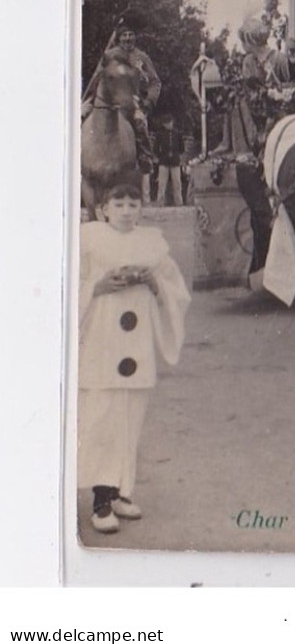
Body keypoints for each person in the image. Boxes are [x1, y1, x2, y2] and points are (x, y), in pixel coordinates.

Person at [78, 177, 190, 534]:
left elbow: (175, 290)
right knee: (104, 417)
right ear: (103, 210)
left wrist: (154, 283)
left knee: (131, 417)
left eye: (133, 204)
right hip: (103, 340)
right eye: (119, 204)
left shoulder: (151, 244)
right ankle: (100, 500)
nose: (127, 212)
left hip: (136, 345)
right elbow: (67, 282)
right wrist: (96, 287)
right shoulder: (89, 240)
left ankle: (121, 490)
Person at [82, 21, 161, 204]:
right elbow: (97, 79)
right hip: (107, 102)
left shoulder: (142, 57)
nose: (127, 38)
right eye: (124, 35)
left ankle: (144, 157)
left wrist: (148, 101)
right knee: (84, 118)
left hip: (132, 104)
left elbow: (155, 82)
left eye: (130, 34)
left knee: (139, 125)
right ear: (118, 38)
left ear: (135, 37)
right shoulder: (110, 55)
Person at [154, 112, 183, 206]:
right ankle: (160, 202)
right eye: (167, 123)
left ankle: (178, 202)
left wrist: (179, 156)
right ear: (163, 124)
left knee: (177, 183)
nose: (169, 124)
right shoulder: (160, 134)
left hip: (175, 160)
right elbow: (156, 147)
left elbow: (181, 148)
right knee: (162, 183)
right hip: (164, 160)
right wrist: (159, 156)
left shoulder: (177, 133)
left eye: (170, 122)